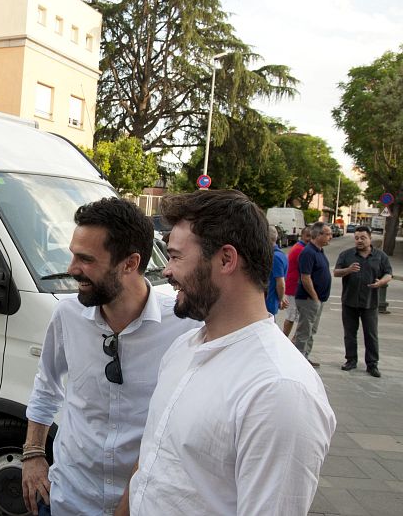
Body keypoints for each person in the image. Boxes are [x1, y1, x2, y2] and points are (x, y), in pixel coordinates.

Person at [127, 190, 335, 515]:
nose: (166, 271)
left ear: (226, 259)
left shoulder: (279, 390)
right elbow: (155, 465)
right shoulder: (184, 347)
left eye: (176, 256)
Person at [21, 197, 201, 515]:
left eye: (86, 259)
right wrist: (33, 453)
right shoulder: (67, 315)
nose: (72, 269)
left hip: (143, 506)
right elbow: (46, 386)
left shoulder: (184, 327)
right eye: (73, 255)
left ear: (130, 263)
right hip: (65, 500)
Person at [333, 226, 392, 377]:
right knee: (350, 333)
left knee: (371, 334)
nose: (359, 240)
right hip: (349, 301)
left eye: (363, 238)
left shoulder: (380, 256)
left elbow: (388, 273)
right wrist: (347, 270)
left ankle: (372, 364)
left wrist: (381, 283)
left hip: (370, 303)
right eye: (357, 238)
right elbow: (336, 272)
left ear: (370, 238)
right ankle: (351, 360)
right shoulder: (346, 255)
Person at [293, 221, 333, 367]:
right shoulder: (308, 252)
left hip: (317, 299)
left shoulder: (320, 251)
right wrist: (315, 297)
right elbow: (305, 277)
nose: (330, 237)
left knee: (311, 330)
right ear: (318, 235)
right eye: (327, 234)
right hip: (308, 299)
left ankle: (305, 357)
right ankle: (298, 361)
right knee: (305, 330)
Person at [282, 227, 311, 337]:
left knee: (293, 316)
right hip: (294, 287)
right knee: (292, 316)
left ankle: (286, 339)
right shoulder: (300, 249)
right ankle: (285, 340)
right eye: (307, 236)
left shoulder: (299, 247)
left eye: (311, 236)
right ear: (302, 236)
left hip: (293, 287)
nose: (309, 239)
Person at [265, 225, 289, 316]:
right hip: (271, 303)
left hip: (269, 305)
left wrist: (281, 299)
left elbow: (280, 282)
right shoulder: (281, 255)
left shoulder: (275, 257)